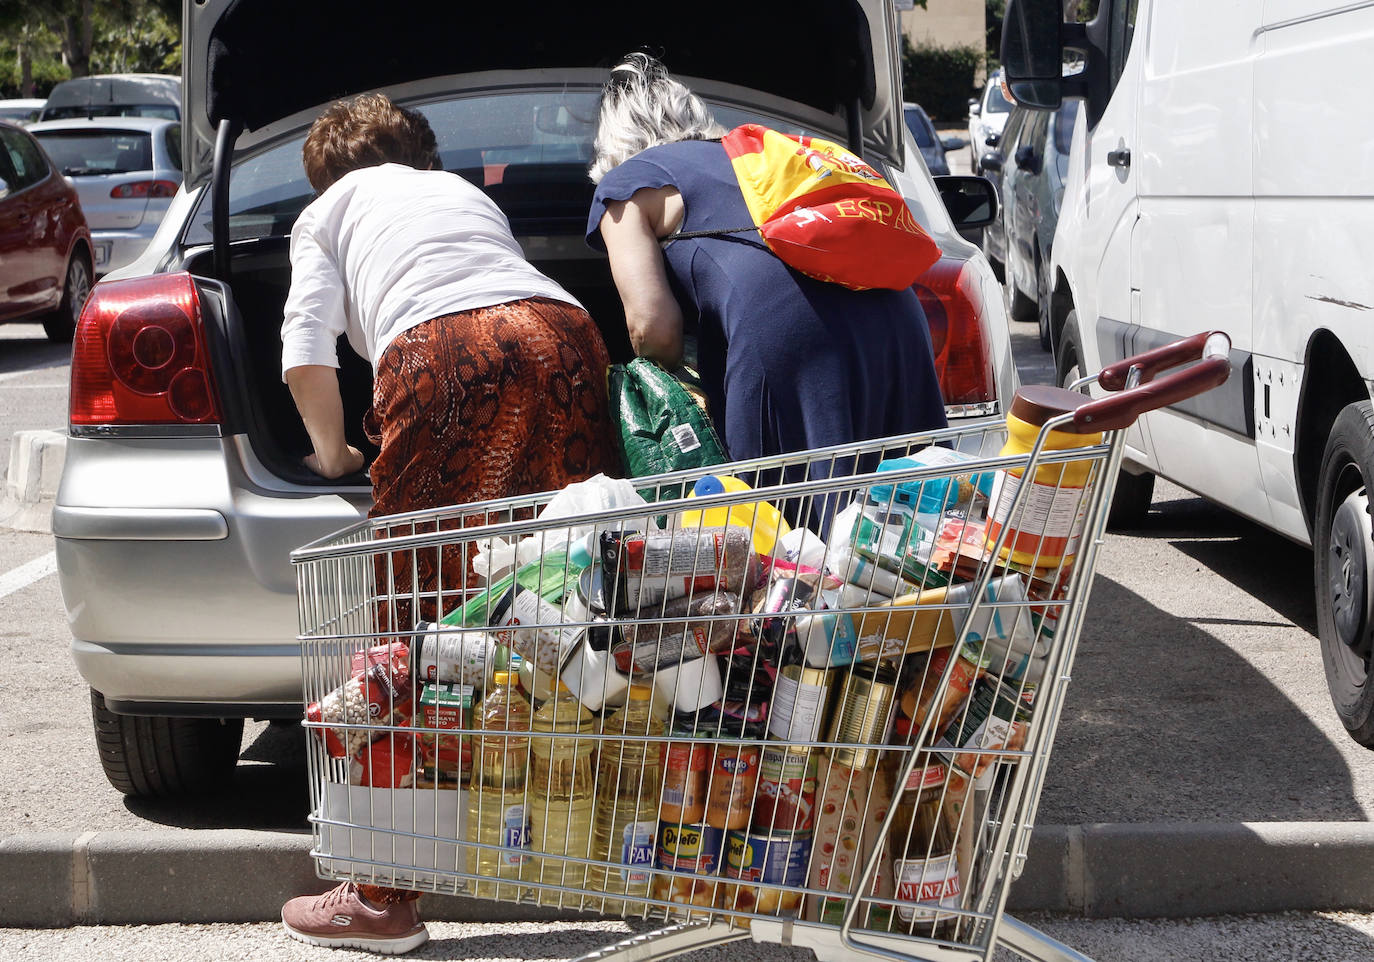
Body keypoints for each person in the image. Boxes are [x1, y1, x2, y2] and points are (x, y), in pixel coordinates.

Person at [276, 93, 619, 955]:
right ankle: (618, 836)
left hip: (447, 354)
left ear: (326, 172)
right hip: (566, 336)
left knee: (416, 621)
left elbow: (305, 356)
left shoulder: (326, 210)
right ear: (415, 151)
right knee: (568, 586)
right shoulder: (463, 194)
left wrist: (330, 455)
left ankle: (382, 895)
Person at [586, 53, 948, 499]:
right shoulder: (754, 154)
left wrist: (674, 399)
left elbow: (652, 327)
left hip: (787, 333)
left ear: (611, 144)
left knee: (786, 539)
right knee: (916, 522)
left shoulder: (625, 185)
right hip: (895, 316)